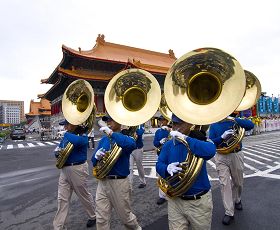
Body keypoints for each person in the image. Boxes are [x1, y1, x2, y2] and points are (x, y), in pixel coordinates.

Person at [156, 114, 216, 230]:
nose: (175, 126)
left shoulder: (197, 140)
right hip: (175, 201)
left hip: (198, 202)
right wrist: (166, 169)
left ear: (189, 124)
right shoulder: (168, 144)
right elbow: (159, 164)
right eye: (174, 123)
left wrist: (185, 138)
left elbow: (210, 151)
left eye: (180, 123)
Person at [92, 115, 142, 230]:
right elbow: (93, 162)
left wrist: (112, 133)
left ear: (119, 122)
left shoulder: (125, 138)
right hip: (103, 182)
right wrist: (96, 156)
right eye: (107, 121)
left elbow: (131, 145)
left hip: (119, 182)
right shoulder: (104, 140)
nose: (108, 122)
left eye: (111, 120)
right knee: (101, 218)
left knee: (126, 218)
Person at [209, 112, 254, 225]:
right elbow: (211, 142)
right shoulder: (214, 125)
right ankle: (229, 212)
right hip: (221, 156)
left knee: (238, 182)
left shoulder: (235, 121)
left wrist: (235, 119)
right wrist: (221, 137)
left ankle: (237, 199)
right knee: (225, 184)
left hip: (236, 154)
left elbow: (250, 125)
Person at [53, 119, 96, 229]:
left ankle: (93, 216)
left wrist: (66, 135)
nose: (65, 128)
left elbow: (79, 142)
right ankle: (59, 227)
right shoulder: (68, 136)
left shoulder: (82, 134)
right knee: (62, 199)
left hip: (78, 168)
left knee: (83, 195)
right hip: (64, 169)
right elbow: (60, 148)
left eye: (66, 125)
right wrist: (57, 152)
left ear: (73, 123)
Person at [153, 115, 171, 205]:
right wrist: (159, 142)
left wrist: (169, 130)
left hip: (171, 154)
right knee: (161, 174)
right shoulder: (158, 131)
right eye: (160, 120)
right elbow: (155, 143)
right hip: (161, 154)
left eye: (163, 120)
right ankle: (162, 196)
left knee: (171, 174)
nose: (161, 122)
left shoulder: (171, 130)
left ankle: (171, 192)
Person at [129, 124, 146, 189]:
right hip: (130, 149)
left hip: (138, 149)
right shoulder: (128, 124)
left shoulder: (140, 124)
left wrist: (134, 128)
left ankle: (143, 181)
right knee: (130, 168)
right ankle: (130, 185)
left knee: (139, 166)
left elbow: (140, 132)